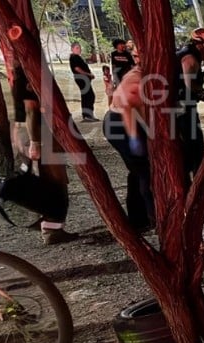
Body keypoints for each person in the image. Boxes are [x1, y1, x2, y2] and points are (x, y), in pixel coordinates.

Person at [9, 63, 77, 244]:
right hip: (39, 135)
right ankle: (52, 230)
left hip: (28, 133)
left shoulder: (21, 79)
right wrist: (35, 142)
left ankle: (46, 222)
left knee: (41, 180)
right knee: (55, 182)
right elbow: (31, 109)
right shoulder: (29, 80)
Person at [103, 65, 154, 233]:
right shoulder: (137, 79)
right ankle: (153, 217)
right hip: (120, 124)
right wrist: (134, 137)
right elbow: (127, 105)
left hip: (125, 120)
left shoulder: (145, 74)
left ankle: (140, 219)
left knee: (138, 171)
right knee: (144, 169)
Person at [175, 28, 204, 182]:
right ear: (200, 45)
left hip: (183, 105)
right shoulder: (190, 59)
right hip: (182, 107)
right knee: (194, 145)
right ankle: (196, 180)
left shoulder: (189, 53)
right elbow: (189, 84)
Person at [68, 44, 96, 122]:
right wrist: (88, 74)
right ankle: (87, 115)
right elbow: (77, 69)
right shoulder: (74, 57)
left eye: (80, 48)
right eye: (77, 48)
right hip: (81, 78)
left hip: (84, 78)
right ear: (72, 49)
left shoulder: (78, 57)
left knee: (88, 96)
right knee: (88, 96)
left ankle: (88, 115)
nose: (79, 49)